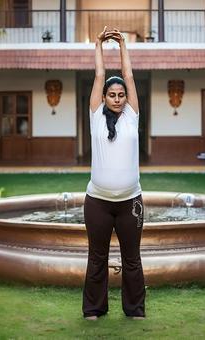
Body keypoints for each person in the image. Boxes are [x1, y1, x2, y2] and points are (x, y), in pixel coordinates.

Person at [82, 27, 145, 320]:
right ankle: (94, 309)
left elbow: (129, 76)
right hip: (98, 202)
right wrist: (98, 45)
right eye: (113, 94)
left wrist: (122, 46)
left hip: (130, 202)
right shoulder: (96, 117)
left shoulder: (132, 117)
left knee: (132, 260)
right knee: (97, 258)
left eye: (121, 95)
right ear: (104, 98)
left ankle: (134, 310)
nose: (118, 98)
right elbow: (98, 76)